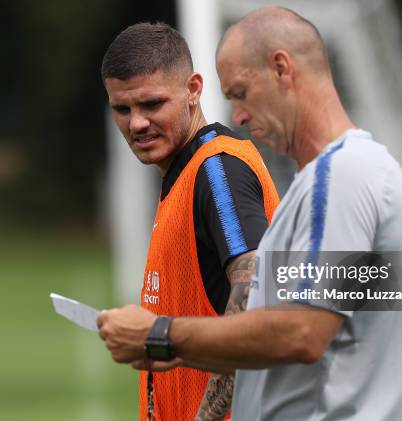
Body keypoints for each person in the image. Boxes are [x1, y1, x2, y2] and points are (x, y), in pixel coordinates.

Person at [98, 8, 402, 421]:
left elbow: (301, 331)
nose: (238, 117)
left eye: (240, 94)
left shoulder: (341, 174)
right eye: (122, 109)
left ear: (282, 70)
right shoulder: (323, 181)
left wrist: (161, 335)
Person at [100, 22, 280, 421]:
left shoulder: (217, 171)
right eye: (122, 109)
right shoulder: (185, 173)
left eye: (151, 104)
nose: (137, 124)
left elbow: (257, 293)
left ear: (193, 90)